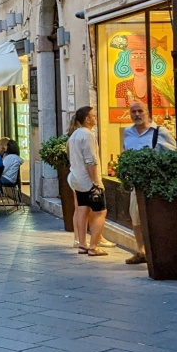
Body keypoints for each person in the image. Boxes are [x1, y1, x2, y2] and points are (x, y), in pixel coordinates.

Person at [122, 102, 177, 264]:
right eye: (134, 111)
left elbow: (174, 155)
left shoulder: (160, 132)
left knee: (155, 219)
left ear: (148, 113)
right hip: (136, 184)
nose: (137, 114)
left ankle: (156, 251)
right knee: (136, 218)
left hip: (155, 184)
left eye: (140, 111)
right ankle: (141, 251)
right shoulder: (128, 132)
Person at [67, 106, 109, 256]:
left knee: (82, 209)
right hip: (87, 180)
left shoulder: (74, 135)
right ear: (87, 119)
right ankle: (93, 247)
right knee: (100, 212)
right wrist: (96, 182)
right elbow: (90, 161)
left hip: (76, 178)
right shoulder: (88, 135)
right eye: (93, 115)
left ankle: (82, 244)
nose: (96, 117)